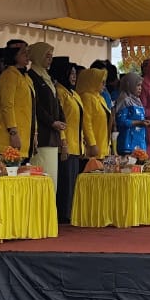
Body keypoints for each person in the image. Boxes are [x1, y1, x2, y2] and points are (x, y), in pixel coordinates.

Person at [27, 43, 66, 193]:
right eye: (47, 56)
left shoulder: (47, 77)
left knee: (52, 179)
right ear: (38, 56)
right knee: (42, 178)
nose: (50, 60)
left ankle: (49, 206)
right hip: (42, 135)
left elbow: (56, 102)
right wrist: (52, 122)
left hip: (53, 136)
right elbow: (36, 106)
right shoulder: (32, 77)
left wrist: (62, 120)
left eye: (51, 57)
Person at [51, 58, 83, 223]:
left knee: (72, 182)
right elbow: (60, 118)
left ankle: (69, 212)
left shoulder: (74, 93)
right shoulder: (60, 92)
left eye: (75, 74)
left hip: (76, 144)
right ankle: (63, 215)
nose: (74, 77)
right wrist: (63, 142)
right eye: (71, 74)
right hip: (66, 143)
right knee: (65, 181)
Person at [0, 45, 36, 161]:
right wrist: (13, 132)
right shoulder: (9, 75)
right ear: (14, 55)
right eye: (23, 53)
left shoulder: (26, 77)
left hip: (26, 136)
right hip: (11, 136)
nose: (27, 56)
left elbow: (32, 107)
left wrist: (35, 133)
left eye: (28, 53)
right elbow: (7, 105)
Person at [77, 66, 110, 160]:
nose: (104, 85)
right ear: (93, 81)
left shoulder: (100, 98)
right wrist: (92, 143)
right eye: (101, 82)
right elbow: (86, 122)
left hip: (102, 145)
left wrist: (108, 145)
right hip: (92, 148)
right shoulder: (86, 97)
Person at [114, 72, 148, 156]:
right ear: (130, 85)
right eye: (138, 85)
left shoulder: (137, 100)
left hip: (139, 142)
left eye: (141, 85)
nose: (140, 88)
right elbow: (121, 121)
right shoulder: (125, 100)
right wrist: (139, 122)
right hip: (128, 143)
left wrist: (145, 122)